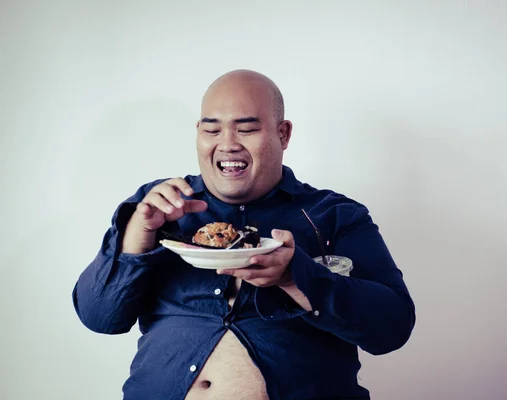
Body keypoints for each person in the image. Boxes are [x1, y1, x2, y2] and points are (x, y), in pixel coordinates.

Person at [72, 69, 416, 400]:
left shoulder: (335, 215)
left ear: (283, 134)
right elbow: (100, 317)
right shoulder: (159, 206)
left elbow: (392, 328)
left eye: (246, 130)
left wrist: (296, 277)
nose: (227, 144)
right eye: (212, 130)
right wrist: (139, 235)